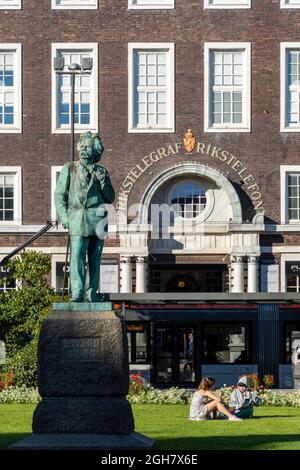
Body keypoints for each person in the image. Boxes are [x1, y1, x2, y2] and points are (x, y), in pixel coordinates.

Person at [55, 132, 115, 302]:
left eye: (88, 147)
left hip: (98, 221)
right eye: (82, 147)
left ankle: (92, 293)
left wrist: (102, 182)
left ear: (96, 152)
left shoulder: (102, 172)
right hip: (77, 220)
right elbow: (59, 196)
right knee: (77, 258)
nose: (83, 150)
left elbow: (110, 198)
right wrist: (65, 218)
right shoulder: (70, 168)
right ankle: (77, 293)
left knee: (95, 259)